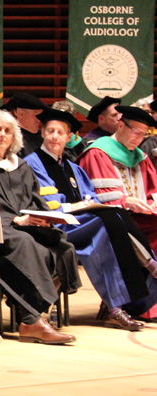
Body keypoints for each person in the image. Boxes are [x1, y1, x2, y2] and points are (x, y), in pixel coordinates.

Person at [27, 108, 157, 330]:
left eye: (60, 132)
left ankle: (114, 307)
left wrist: (87, 203)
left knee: (105, 233)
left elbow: (91, 196)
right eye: (50, 131)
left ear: (69, 138)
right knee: (110, 216)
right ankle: (150, 265)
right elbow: (44, 202)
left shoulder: (71, 166)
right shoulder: (32, 162)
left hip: (83, 224)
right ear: (43, 133)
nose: (55, 137)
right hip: (54, 223)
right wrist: (77, 205)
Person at [0, 110, 80, 344]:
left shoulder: (20, 165)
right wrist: (14, 220)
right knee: (26, 243)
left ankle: (30, 311)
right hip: (2, 227)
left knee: (61, 245)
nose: (2, 135)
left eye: (7, 130)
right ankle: (32, 318)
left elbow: (35, 199)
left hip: (27, 225)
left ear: (14, 137)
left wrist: (43, 217)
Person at [80, 106, 157, 253]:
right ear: (120, 125)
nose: (139, 139)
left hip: (140, 218)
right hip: (111, 218)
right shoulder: (98, 153)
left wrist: (152, 204)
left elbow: (153, 190)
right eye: (135, 133)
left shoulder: (141, 157)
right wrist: (126, 201)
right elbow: (102, 196)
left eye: (143, 134)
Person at [4, 92, 48, 158]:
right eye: (36, 114)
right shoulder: (11, 137)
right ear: (21, 113)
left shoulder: (44, 137)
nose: (39, 119)